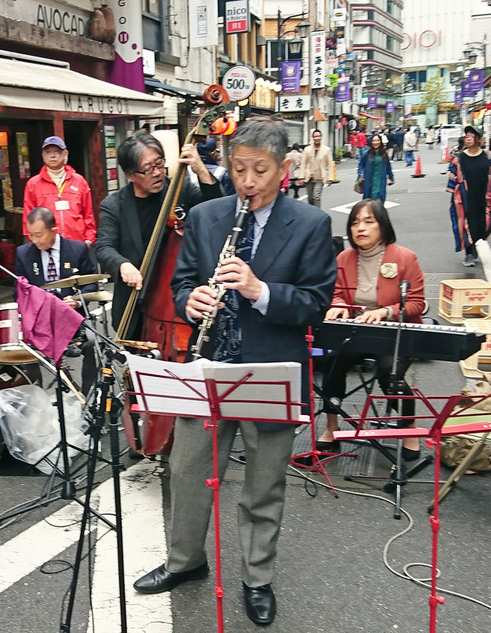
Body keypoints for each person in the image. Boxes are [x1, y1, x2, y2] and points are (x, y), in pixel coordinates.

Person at [132, 117, 336, 626]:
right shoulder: (205, 218)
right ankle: (185, 561)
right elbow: (181, 284)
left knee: (264, 485)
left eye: (259, 170)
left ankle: (257, 577)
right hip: (208, 367)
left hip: (270, 373)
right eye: (239, 167)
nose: (247, 180)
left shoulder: (310, 225)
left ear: (284, 169)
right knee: (187, 473)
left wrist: (258, 290)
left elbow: (315, 303)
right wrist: (191, 301)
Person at [317, 199, 426, 458]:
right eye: (355, 223)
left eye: (368, 221)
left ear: (383, 226)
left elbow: (417, 304)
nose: (360, 228)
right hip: (356, 331)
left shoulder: (404, 257)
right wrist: (339, 304)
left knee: (389, 373)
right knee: (332, 363)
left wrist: (385, 311)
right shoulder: (343, 257)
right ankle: (331, 428)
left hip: (395, 333)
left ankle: (409, 427)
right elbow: (334, 294)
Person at [95, 132, 222, 338]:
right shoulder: (114, 205)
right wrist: (123, 264)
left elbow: (215, 212)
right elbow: (104, 246)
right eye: (148, 169)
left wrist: (201, 171)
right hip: (135, 303)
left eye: (160, 164)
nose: (157, 173)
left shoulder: (178, 189)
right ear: (130, 174)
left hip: (175, 301)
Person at [16, 206, 97, 387]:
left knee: (92, 343)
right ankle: (36, 391)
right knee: (22, 347)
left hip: (71, 317)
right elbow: (19, 292)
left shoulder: (78, 249)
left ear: (54, 230)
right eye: (31, 235)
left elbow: (92, 283)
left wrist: (77, 299)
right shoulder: (23, 254)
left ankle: (87, 392)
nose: (35, 240)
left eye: (39, 235)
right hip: (40, 321)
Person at [21, 135, 97, 247]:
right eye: (48, 152)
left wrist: (89, 239)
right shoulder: (33, 184)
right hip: (47, 244)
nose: (52, 156)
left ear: (65, 154)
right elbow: (28, 217)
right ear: (43, 155)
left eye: (57, 152)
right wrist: (34, 242)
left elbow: (88, 214)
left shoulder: (79, 181)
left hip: (77, 243)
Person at [448, 125, 491, 267]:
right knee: (465, 223)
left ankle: (475, 242)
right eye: (467, 137)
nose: (468, 139)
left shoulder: (487, 155)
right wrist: (454, 194)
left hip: (483, 195)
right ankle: (469, 253)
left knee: (483, 223)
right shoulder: (460, 158)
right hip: (465, 197)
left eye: (471, 137)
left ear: (478, 139)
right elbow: (453, 176)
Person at [300, 129, 333, 208]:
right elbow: (303, 163)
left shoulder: (327, 150)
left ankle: (318, 215)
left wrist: (330, 178)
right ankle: (312, 213)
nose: (317, 138)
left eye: (318, 136)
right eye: (315, 136)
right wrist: (302, 176)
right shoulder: (307, 149)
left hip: (320, 178)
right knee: (310, 198)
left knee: (316, 197)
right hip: (309, 177)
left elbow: (329, 164)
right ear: (312, 138)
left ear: (321, 137)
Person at [357, 134, 394, 202]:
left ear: (380, 142)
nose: (375, 142)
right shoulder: (367, 153)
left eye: (377, 140)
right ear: (371, 142)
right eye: (374, 141)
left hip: (380, 181)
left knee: (380, 198)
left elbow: (388, 167)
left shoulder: (384, 154)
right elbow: (361, 164)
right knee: (368, 199)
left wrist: (392, 178)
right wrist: (360, 176)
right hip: (369, 180)